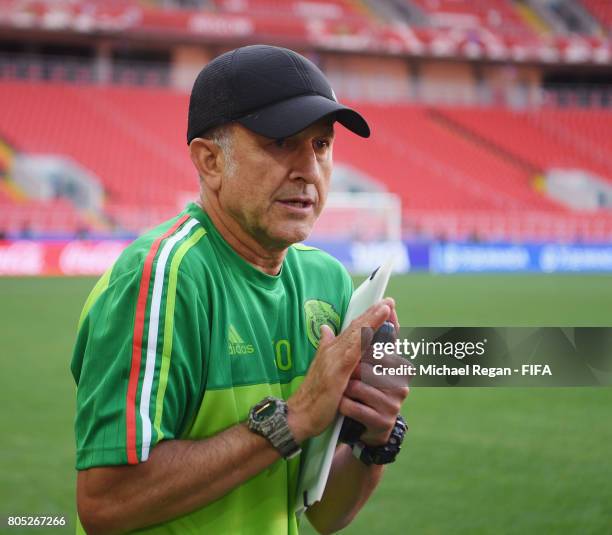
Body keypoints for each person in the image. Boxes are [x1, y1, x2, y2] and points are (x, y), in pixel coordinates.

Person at [71, 44, 408, 535]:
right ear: (209, 162)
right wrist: (292, 419)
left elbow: (324, 514)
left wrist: (374, 439)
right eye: (281, 142)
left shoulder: (328, 281)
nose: (309, 170)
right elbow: (107, 504)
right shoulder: (162, 276)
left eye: (321, 145)